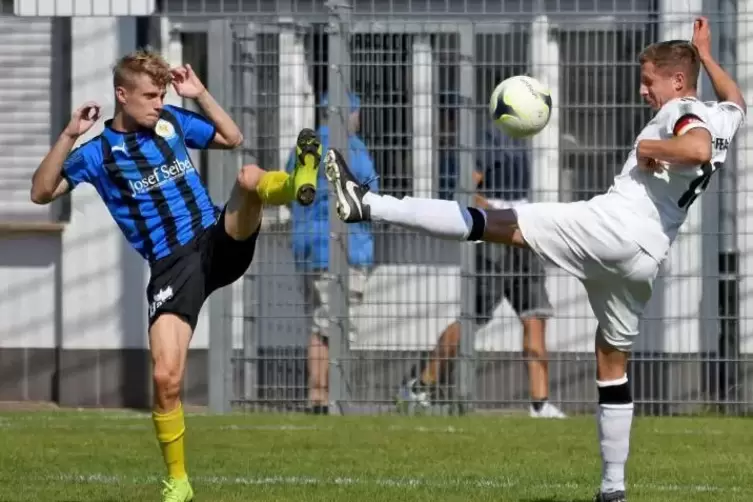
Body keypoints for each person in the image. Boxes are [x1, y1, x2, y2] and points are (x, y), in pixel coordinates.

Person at [323, 18, 745, 502]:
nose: (643, 90)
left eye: (649, 81)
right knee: (611, 359)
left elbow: (692, 147)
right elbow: (737, 100)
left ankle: (369, 204)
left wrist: (648, 146)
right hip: (645, 256)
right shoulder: (721, 117)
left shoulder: (684, 111)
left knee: (498, 223)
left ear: (676, 81)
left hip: (611, 227)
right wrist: (706, 55)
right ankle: (613, 488)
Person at [29, 49, 322, 502]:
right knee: (166, 377)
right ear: (121, 96)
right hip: (170, 266)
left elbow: (232, 135)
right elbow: (41, 192)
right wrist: (69, 134)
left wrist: (199, 93)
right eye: (149, 95)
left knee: (246, 176)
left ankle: (298, 183)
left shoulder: (173, 122)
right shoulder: (97, 154)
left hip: (215, 239)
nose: (158, 102)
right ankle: (178, 481)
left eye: (163, 93)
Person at [397, 94, 564, 419]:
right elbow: (466, 190)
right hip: (495, 239)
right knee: (473, 319)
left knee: (535, 316)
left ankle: (540, 405)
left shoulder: (523, 142)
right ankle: (421, 387)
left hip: (525, 235)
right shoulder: (489, 138)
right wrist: (496, 215)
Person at [286, 91, 378, 415]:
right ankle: (330, 396)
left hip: (308, 248)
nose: (358, 120)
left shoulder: (305, 147)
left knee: (318, 324)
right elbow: (369, 198)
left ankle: (318, 397)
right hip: (344, 248)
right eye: (357, 114)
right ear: (348, 114)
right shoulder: (354, 150)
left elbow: (291, 190)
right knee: (337, 325)